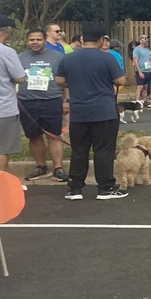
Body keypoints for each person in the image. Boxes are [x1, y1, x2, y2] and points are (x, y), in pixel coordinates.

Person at [56, 24, 127, 200]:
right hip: (104, 110)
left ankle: (75, 188)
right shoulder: (108, 57)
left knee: (79, 150)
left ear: (82, 39)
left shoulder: (68, 58)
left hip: (79, 112)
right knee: (104, 150)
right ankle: (105, 188)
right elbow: (120, 80)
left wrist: (75, 83)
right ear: (101, 40)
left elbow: (59, 80)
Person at [17, 28, 68, 182]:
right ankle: (41, 167)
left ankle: (58, 168)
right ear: (27, 41)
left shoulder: (58, 57)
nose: (35, 42)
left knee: (54, 135)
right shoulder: (20, 58)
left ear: (45, 40)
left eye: (38, 39)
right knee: (34, 136)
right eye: (32, 39)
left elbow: (66, 81)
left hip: (52, 100)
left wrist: (66, 101)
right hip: (27, 102)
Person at [0, 14, 27, 174]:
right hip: (3, 108)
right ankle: (0, 183)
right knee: (1, 149)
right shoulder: (7, 52)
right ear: (7, 31)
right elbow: (20, 78)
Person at [133, 36, 151, 103]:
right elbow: (135, 60)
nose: (146, 40)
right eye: (145, 39)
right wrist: (139, 71)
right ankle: (137, 101)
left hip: (148, 70)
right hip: (141, 70)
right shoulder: (137, 49)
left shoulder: (147, 49)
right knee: (140, 87)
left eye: (147, 39)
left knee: (146, 87)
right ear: (140, 40)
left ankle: (145, 101)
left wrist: (147, 59)